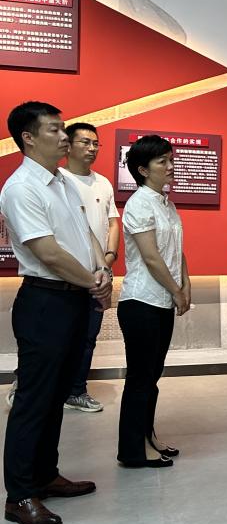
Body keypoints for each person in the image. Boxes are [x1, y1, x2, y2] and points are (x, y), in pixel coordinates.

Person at [1, 102, 112, 524]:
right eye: (55, 130)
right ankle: (19, 496)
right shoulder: (21, 188)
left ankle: (45, 475)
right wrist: (92, 282)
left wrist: (100, 271)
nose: (65, 137)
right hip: (45, 301)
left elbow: (84, 233)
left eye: (64, 128)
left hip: (75, 296)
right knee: (33, 401)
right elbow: (47, 252)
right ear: (28, 138)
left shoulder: (62, 180)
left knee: (56, 396)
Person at [117, 135, 191, 469]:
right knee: (140, 378)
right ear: (143, 169)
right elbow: (150, 256)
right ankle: (132, 450)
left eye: (171, 159)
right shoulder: (139, 204)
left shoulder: (166, 204)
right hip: (142, 301)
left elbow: (176, 251)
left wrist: (185, 283)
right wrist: (176, 290)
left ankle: (147, 437)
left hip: (162, 301)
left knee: (151, 376)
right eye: (163, 161)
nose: (171, 166)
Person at [60, 122, 120, 413]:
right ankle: (30, 382)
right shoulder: (58, 180)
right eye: (85, 142)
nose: (92, 148)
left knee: (87, 337)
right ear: (68, 145)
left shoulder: (103, 183)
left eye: (96, 143)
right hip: (65, 273)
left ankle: (76, 391)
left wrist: (108, 259)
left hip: (99, 273)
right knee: (56, 336)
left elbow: (113, 224)